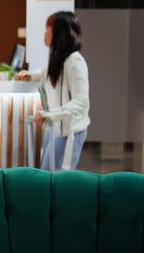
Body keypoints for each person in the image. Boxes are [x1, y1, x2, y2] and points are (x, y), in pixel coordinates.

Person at [15, 11, 90, 171]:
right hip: (56, 127)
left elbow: (81, 102)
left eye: (48, 28)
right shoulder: (59, 59)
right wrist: (31, 75)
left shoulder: (74, 61)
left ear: (59, 33)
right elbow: (46, 73)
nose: (45, 33)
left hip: (69, 131)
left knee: (58, 180)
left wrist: (49, 115)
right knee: (48, 176)